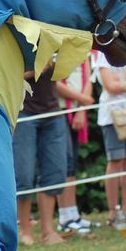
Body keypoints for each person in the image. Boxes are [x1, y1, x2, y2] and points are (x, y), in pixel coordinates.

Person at [14, 61, 69, 246]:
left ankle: (48, 231)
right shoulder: (17, 35)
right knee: (23, 174)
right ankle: (25, 230)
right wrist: (36, 68)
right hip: (24, 112)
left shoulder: (53, 36)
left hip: (53, 111)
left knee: (56, 170)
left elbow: (63, 72)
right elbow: (6, 74)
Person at [94, 50, 126, 226]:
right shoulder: (103, 56)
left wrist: (123, 84)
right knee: (115, 162)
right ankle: (113, 210)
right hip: (112, 116)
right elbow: (110, 86)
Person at [55, 57, 95, 235]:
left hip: (77, 110)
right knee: (64, 163)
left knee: (73, 164)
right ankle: (64, 217)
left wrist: (81, 109)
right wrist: (83, 100)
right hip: (60, 110)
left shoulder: (82, 50)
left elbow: (88, 79)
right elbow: (54, 82)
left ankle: (73, 214)